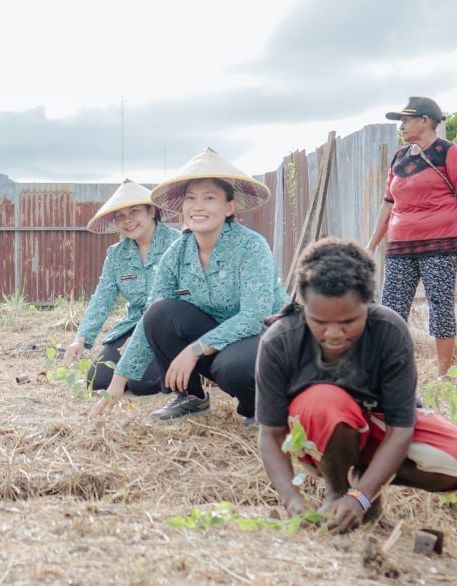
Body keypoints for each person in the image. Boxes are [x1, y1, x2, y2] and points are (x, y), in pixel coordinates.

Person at [255, 238, 457, 534]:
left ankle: (364, 483)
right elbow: (270, 435)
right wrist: (291, 498)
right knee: (326, 401)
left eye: (349, 321)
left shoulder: (388, 330)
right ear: (303, 306)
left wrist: (360, 497)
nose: (334, 333)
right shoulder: (279, 341)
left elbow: (401, 428)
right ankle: (336, 490)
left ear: (368, 303)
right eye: (319, 321)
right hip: (319, 435)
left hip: (380, 431)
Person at [90, 149, 289, 422]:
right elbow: (152, 314)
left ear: (229, 207)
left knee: (232, 365)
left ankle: (261, 408)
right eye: (190, 199)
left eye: (209, 198)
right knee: (160, 313)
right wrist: (118, 381)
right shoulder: (177, 252)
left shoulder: (251, 246)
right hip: (216, 338)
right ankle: (191, 397)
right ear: (182, 207)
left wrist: (194, 349)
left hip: (263, 337)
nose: (198, 206)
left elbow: (254, 318)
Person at [367, 97, 457, 377]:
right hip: (400, 245)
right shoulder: (399, 157)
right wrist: (371, 244)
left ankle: (443, 376)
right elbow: (388, 204)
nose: (402, 125)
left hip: (440, 243)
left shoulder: (448, 153)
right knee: (392, 310)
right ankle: (390, 374)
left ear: (425, 121)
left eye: (406, 120)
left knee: (440, 307)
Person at [63, 180, 178, 394]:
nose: (128, 221)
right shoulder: (116, 255)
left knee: (142, 384)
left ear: (151, 211)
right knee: (97, 380)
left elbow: (183, 298)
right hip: (133, 325)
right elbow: (102, 299)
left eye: (134, 212)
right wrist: (80, 340)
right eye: (120, 216)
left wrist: (142, 339)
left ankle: (185, 368)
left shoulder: (178, 244)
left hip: (169, 328)